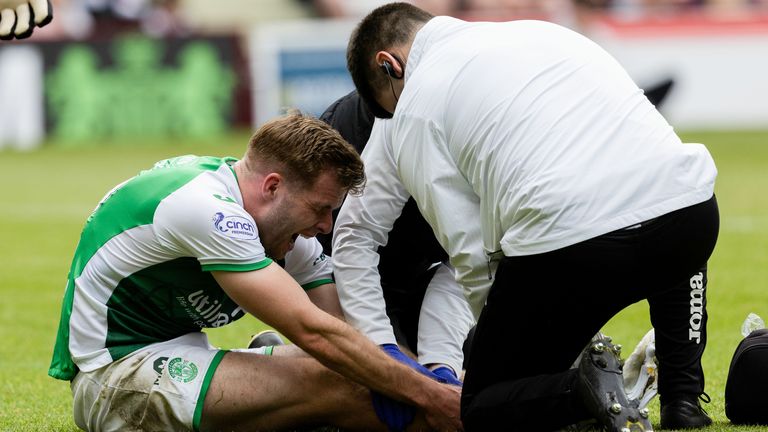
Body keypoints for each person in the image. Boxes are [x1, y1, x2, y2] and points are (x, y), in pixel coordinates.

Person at [337, 2, 719, 431]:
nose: (393, 118)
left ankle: (586, 390)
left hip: (570, 245)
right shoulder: (544, 33)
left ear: (390, 65)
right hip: (692, 214)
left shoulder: (415, 107)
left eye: (389, 105)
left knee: (481, 407)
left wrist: (510, 359)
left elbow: (470, 253)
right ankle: (682, 400)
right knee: (673, 210)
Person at [47, 112, 462, 432]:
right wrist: (436, 399)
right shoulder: (206, 210)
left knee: (361, 367)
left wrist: (434, 381)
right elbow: (316, 333)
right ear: (273, 187)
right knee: (339, 382)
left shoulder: (282, 229)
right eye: (320, 209)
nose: (326, 227)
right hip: (115, 377)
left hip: (184, 351)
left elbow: (350, 330)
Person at [318, 90, 476, 380]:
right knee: (376, 382)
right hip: (342, 270)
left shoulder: (492, 137)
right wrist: (385, 355)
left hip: (418, 271)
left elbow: (471, 260)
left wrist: (442, 362)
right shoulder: (373, 125)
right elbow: (353, 241)